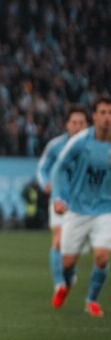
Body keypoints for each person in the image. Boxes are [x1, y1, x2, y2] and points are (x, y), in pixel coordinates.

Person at [49, 95, 111, 317]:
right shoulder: (81, 141)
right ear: (94, 116)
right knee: (67, 264)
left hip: (105, 209)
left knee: (102, 257)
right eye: (103, 112)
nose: (107, 117)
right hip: (77, 208)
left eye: (110, 113)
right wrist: (59, 197)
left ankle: (91, 300)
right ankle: (67, 282)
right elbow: (59, 167)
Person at [36, 105, 89, 292]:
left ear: (87, 125)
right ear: (67, 124)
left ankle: (69, 271)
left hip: (84, 203)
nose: (77, 126)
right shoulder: (56, 145)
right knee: (58, 240)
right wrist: (46, 183)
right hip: (60, 199)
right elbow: (42, 167)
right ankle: (59, 285)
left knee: (75, 247)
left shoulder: (94, 146)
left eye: (81, 123)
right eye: (74, 123)